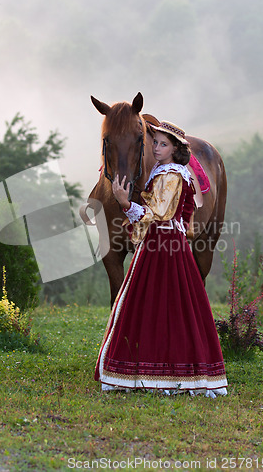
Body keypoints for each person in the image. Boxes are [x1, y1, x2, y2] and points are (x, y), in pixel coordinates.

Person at [94, 120, 228, 398]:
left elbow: (156, 215)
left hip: (162, 245)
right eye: (154, 142)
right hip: (161, 242)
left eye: (163, 144)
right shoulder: (163, 171)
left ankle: (161, 369)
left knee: (155, 305)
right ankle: (158, 365)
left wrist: (124, 203)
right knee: (166, 307)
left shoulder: (171, 176)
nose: (156, 147)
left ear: (175, 149)